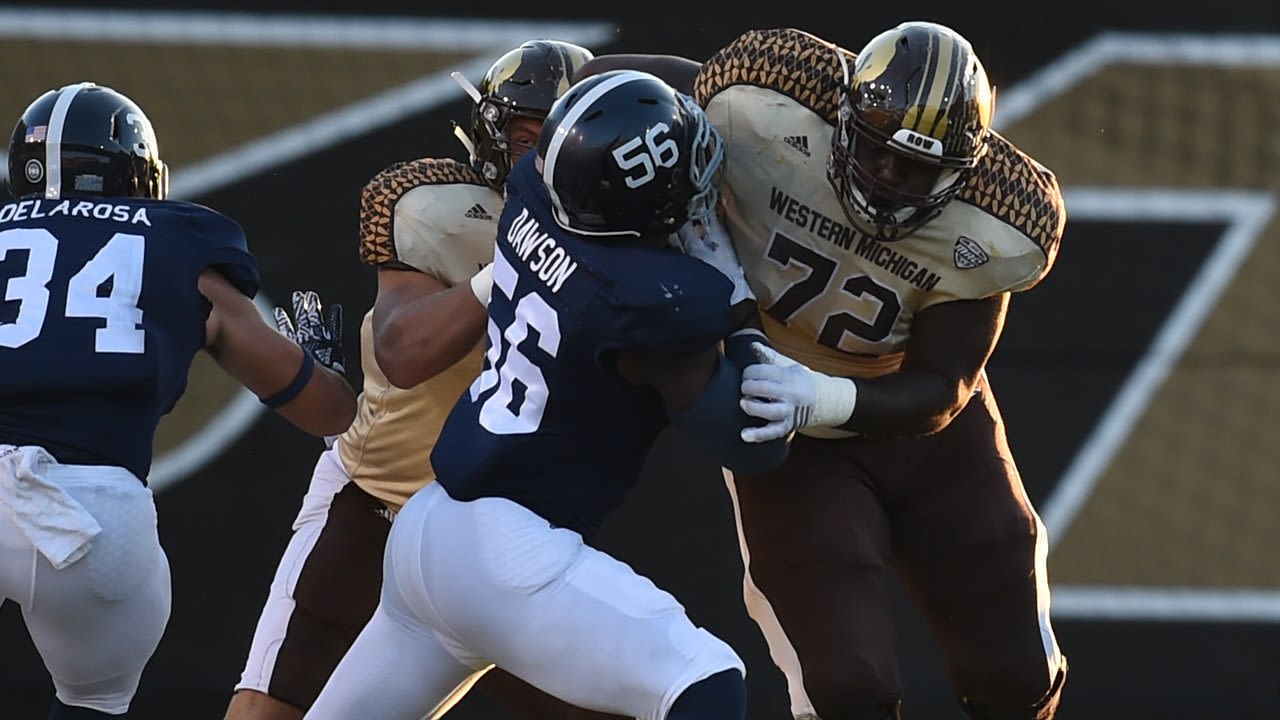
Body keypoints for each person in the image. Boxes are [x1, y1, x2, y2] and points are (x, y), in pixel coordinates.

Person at [578, 22, 1069, 720]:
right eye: (878, 150)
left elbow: (944, 387)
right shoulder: (761, 105)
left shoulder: (996, 222)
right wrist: (542, 90)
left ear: (961, 172)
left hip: (923, 430)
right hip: (786, 426)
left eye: (919, 168)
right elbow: (618, 90)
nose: (892, 180)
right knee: (847, 688)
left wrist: (828, 396)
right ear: (840, 118)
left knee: (1015, 677)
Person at [303, 69, 789, 720]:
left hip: (427, 530)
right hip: (509, 553)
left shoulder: (532, 190)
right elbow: (752, 442)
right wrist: (745, 321)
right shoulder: (649, 305)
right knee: (705, 681)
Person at [223, 40, 625, 720]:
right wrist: (516, 266)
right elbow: (405, 351)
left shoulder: (639, 238)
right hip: (378, 510)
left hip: (511, 532)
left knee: (638, 697)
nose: (547, 165)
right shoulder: (437, 208)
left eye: (568, 143)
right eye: (528, 141)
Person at [0, 82, 356, 719]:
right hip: (93, 517)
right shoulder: (179, 244)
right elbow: (325, 411)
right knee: (92, 699)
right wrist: (326, 369)